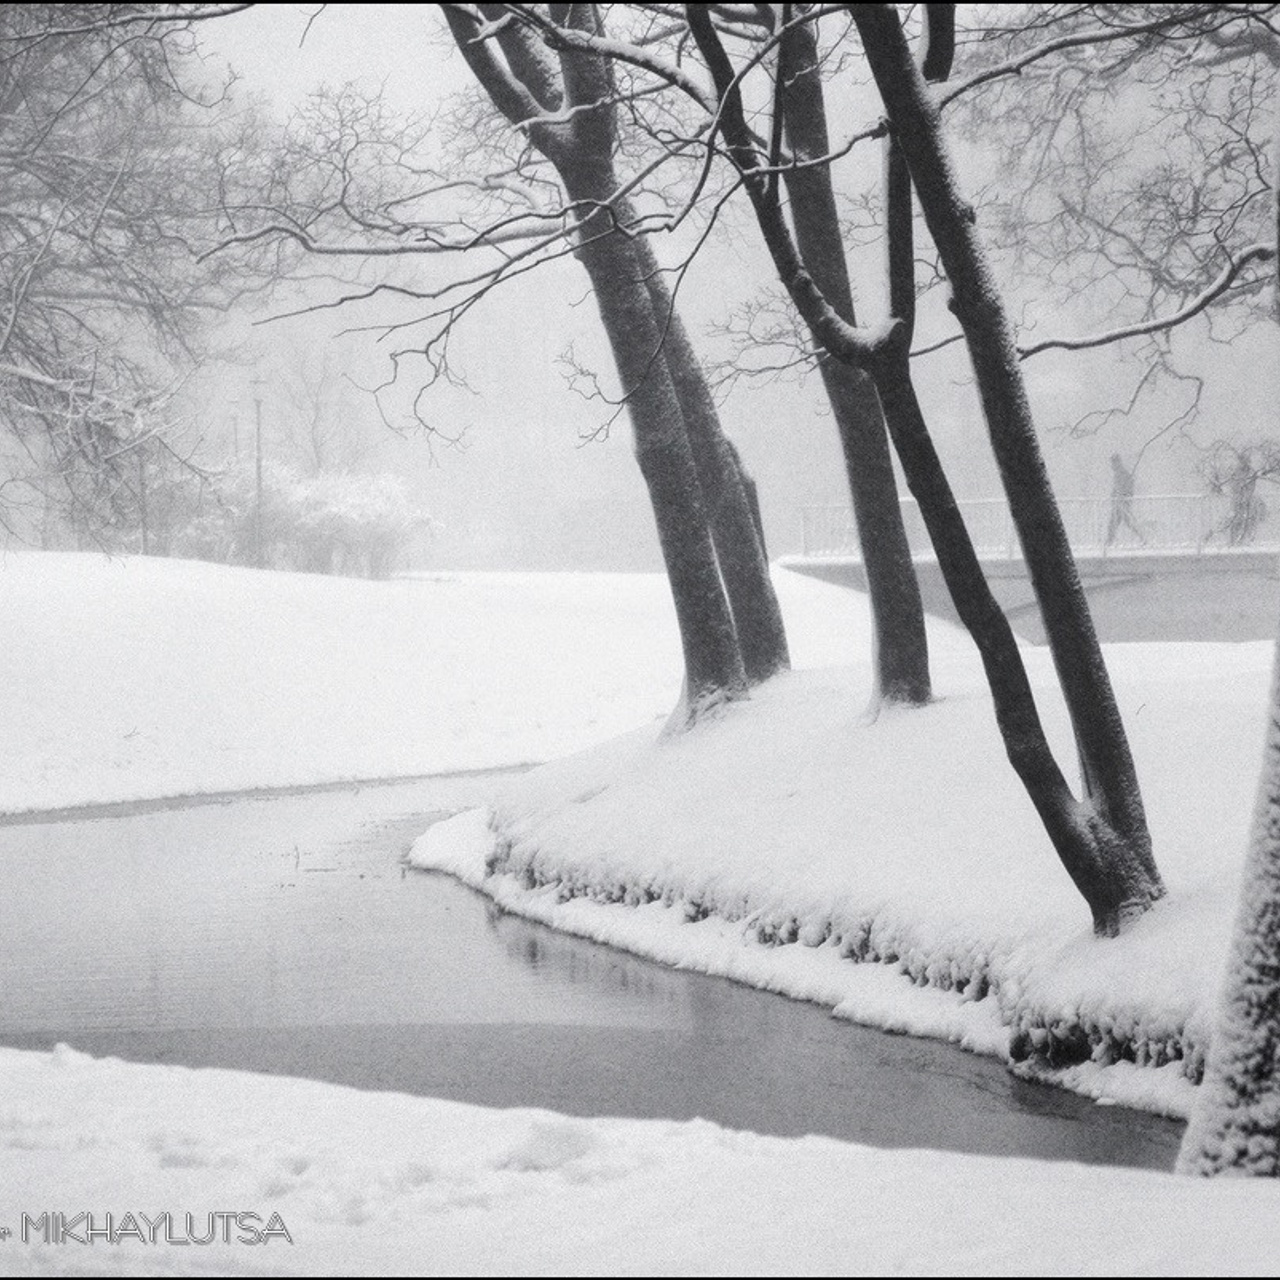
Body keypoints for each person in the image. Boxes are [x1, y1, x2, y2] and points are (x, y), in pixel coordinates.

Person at [1105, 452, 1144, 547]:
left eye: (1113, 462)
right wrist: (1113, 495)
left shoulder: (1123, 474)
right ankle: (1109, 542)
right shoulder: (1119, 474)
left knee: (1120, 522)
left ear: (1117, 462)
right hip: (1119, 503)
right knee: (1119, 523)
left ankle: (1142, 537)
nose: (1112, 465)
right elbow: (1117, 488)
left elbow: (1127, 488)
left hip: (1122, 503)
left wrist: (1123, 497)